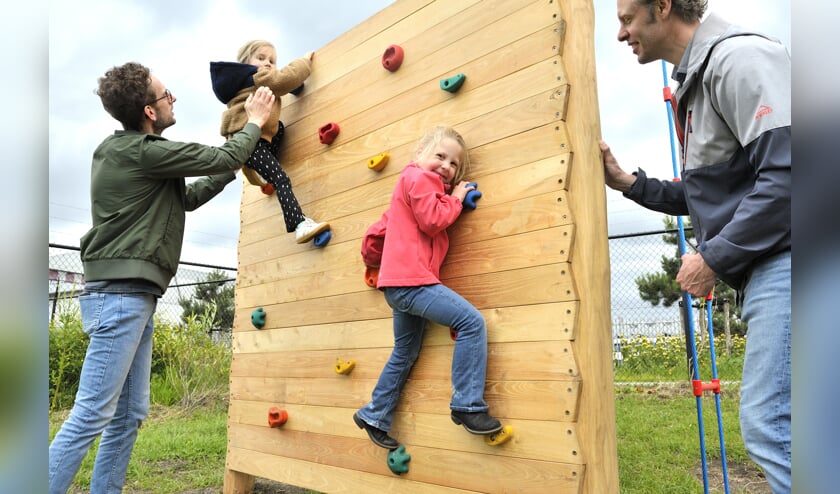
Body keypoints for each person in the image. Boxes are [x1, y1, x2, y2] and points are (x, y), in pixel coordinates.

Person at [48, 62, 276, 494]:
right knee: (91, 414)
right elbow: (223, 154)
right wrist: (256, 123)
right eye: (166, 93)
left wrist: (230, 172)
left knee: (128, 413)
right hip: (120, 298)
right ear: (149, 112)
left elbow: (184, 199)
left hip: (134, 296)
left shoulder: (138, 157)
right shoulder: (140, 151)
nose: (173, 98)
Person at [602, 1, 791, 492]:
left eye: (626, 19)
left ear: (662, 7)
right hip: (773, 266)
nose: (621, 34)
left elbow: (794, 177)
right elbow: (713, 194)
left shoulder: (739, 60)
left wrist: (712, 258)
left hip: (790, 264)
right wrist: (629, 183)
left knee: (773, 424)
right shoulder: (698, 84)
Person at [353, 126, 501, 449]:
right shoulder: (419, 179)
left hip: (397, 284)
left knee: (404, 352)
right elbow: (433, 220)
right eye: (440, 156)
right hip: (413, 282)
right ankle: (468, 405)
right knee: (471, 323)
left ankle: (374, 414)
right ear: (420, 153)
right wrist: (457, 198)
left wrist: (379, 259)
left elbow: (376, 235)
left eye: (454, 164)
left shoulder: (407, 187)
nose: (446, 166)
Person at [210, 39, 329, 244]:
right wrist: (305, 62)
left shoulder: (245, 83)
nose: (268, 64)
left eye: (272, 60)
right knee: (281, 179)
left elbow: (282, 84)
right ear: (246, 62)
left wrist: (296, 87)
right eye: (261, 58)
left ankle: (255, 170)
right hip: (251, 141)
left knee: (280, 129)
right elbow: (282, 80)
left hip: (254, 141)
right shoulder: (256, 76)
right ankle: (299, 224)